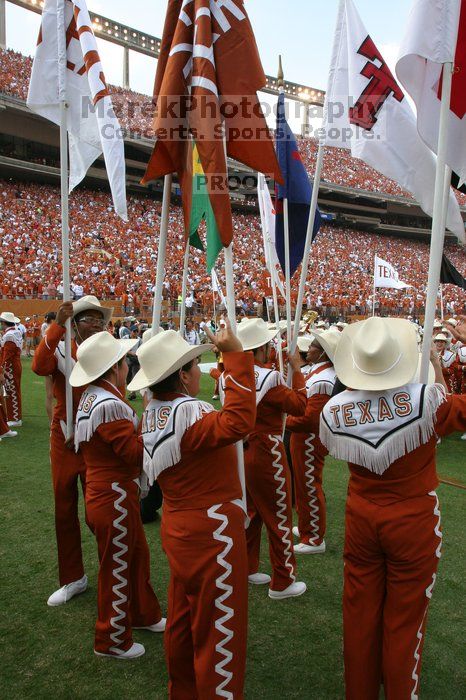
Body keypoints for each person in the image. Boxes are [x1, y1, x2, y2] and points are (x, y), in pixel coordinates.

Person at [319, 317, 466, 700]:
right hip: (413, 521)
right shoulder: (426, 400)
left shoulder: (333, 410)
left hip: (361, 518)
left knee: (360, 617)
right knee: (404, 623)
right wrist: (437, 362)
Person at [128, 321, 256, 698]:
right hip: (212, 533)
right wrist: (235, 355)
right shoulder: (191, 414)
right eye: (193, 366)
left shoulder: (150, 414)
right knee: (219, 628)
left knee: (183, 620)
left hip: (179, 527)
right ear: (182, 377)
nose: (199, 371)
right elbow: (239, 421)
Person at [71, 332, 165, 659]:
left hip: (109, 493)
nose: (128, 365)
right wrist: (152, 423)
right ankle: (110, 639)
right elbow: (132, 453)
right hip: (113, 496)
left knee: (135, 556)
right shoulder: (109, 404)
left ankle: (141, 614)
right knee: (118, 566)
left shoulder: (93, 396)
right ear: (114, 368)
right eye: (124, 361)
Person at [32, 295, 113, 606]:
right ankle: (72, 578)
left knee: (100, 510)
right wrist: (55, 328)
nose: (95, 325)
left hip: (95, 435)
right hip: (64, 436)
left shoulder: (107, 349)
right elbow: (40, 366)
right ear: (75, 323)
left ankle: (114, 569)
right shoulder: (61, 343)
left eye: (99, 320)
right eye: (88, 319)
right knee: (64, 507)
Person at [231, 318, 307, 599]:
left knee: (252, 512)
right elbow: (300, 405)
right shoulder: (269, 378)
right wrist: (297, 372)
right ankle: (283, 579)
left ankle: (249, 566)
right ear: (262, 348)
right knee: (279, 515)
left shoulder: (234, 374)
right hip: (267, 450)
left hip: (243, 450)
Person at [287, 328, 340, 554]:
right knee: (302, 484)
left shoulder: (324, 378)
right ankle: (307, 526)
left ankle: (315, 538)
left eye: (314, 346)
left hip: (309, 438)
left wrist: (283, 422)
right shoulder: (318, 373)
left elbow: (310, 419)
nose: (309, 349)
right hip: (303, 437)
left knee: (309, 484)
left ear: (323, 353)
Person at [0, 311, 23, 426]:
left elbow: (6, 356)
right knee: (14, 390)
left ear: (4, 323)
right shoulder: (16, 332)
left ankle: (14, 418)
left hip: (10, 367)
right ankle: (15, 416)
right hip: (15, 365)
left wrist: (2, 370)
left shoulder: (9, 335)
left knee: (11, 391)